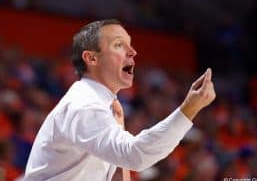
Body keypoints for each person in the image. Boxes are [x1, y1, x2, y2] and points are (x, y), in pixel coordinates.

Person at [23, 19, 216, 181]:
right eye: (118, 45)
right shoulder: (84, 106)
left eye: (130, 44)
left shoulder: (100, 103)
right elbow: (133, 155)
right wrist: (190, 108)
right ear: (91, 58)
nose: (132, 51)